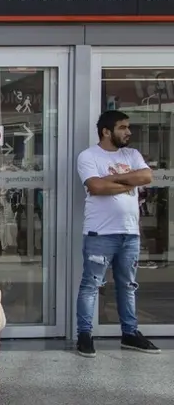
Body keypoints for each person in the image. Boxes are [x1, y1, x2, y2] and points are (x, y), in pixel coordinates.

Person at [75, 110, 159, 358]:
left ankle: (130, 334)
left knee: (128, 285)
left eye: (128, 127)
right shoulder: (89, 156)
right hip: (100, 232)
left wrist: (116, 178)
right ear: (106, 131)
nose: (128, 132)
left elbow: (146, 176)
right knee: (91, 284)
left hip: (130, 233)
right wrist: (129, 181)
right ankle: (84, 335)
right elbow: (96, 186)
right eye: (123, 127)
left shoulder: (131, 154)